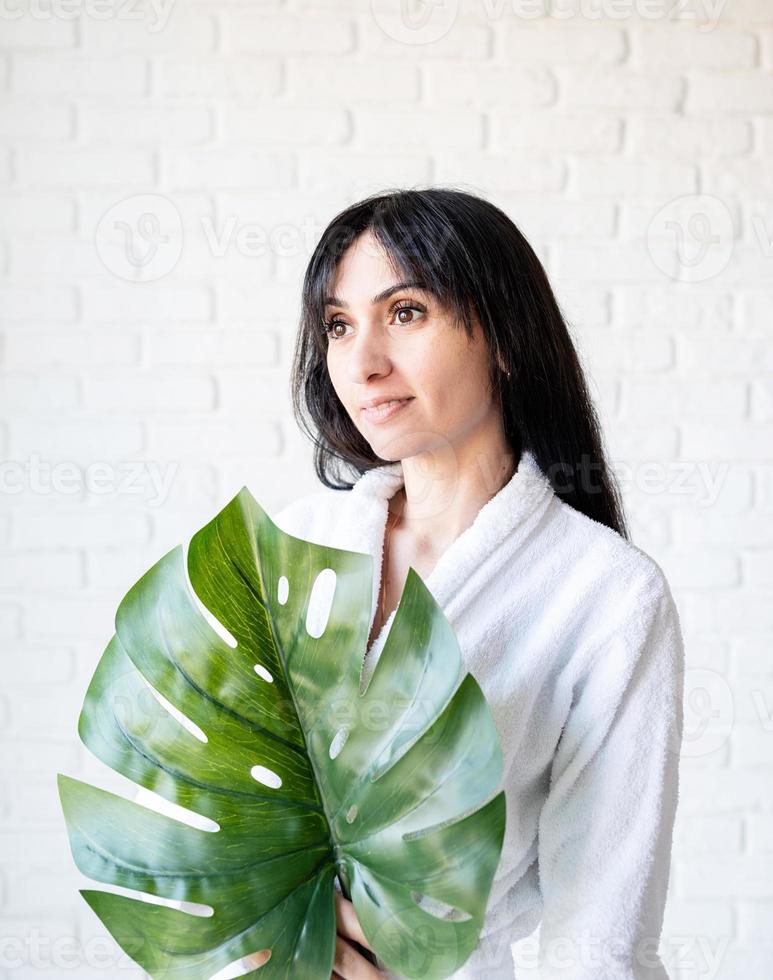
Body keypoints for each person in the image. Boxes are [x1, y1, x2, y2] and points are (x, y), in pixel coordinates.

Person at [136, 187, 684, 979]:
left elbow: (601, 932)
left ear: (502, 336)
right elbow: (189, 810)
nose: (363, 362)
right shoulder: (289, 549)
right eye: (337, 325)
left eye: (405, 313)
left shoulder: (605, 595)